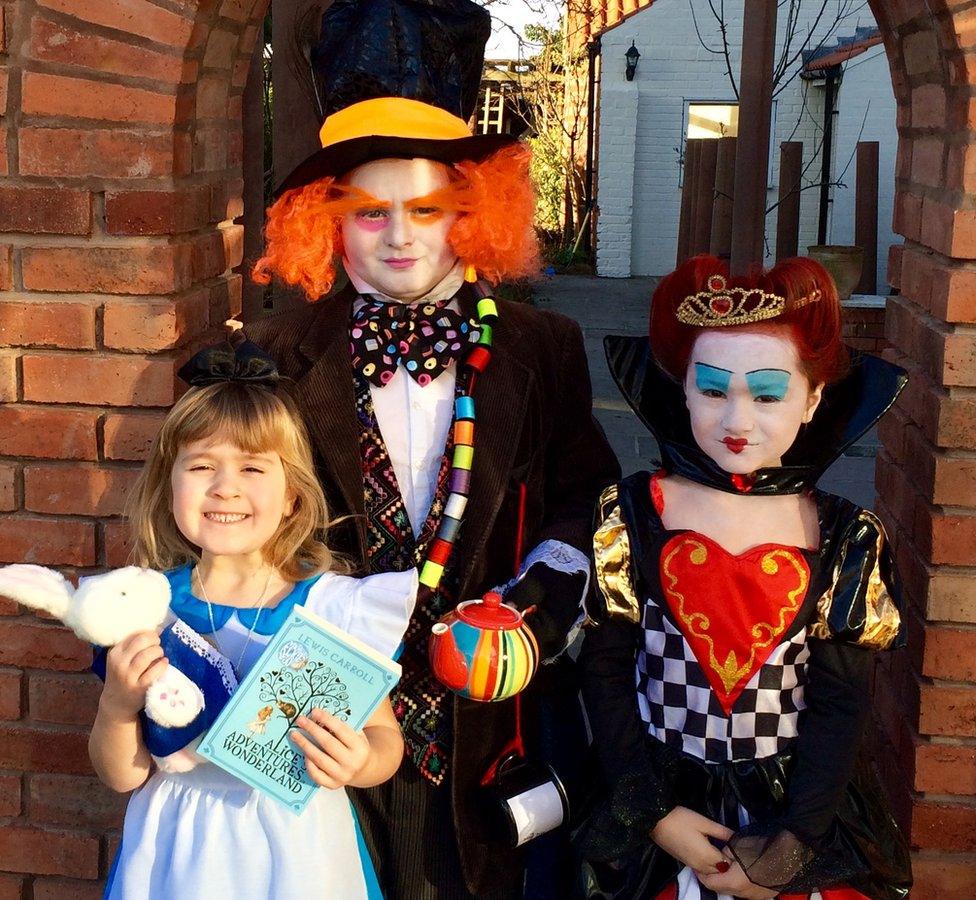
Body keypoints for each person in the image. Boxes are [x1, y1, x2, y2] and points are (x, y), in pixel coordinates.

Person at [243, 1, 619, 896]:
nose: (402, 236)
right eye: (370, 214)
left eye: (427, 209)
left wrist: (532, 608)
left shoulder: (543, 347)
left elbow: (590, 500)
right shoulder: (279, 357)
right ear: (324, 223)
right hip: (324, 714)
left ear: (473, 214)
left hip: (496, 722)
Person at [576, 255, 913, 900]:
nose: (736, 421)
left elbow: (841, 706)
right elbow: (607, 674)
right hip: (659, 799)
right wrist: (654, 814)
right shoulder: (631, 515)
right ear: (682, 390)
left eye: (766, 394)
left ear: (812, 398)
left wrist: (792, 845)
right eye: (712, 390)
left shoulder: (844, 537)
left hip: (789, 810)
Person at [88, 342, 417, 899]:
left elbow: (385, 737)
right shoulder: (146, 607)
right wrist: (117, 705)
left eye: (252, 467)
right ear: (170, 486)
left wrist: (361, 760)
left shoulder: (332, 608)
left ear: (291, 495)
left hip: (303, 847)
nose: (226, 487)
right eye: (201, 466)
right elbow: (123, 774)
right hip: (178, 848)